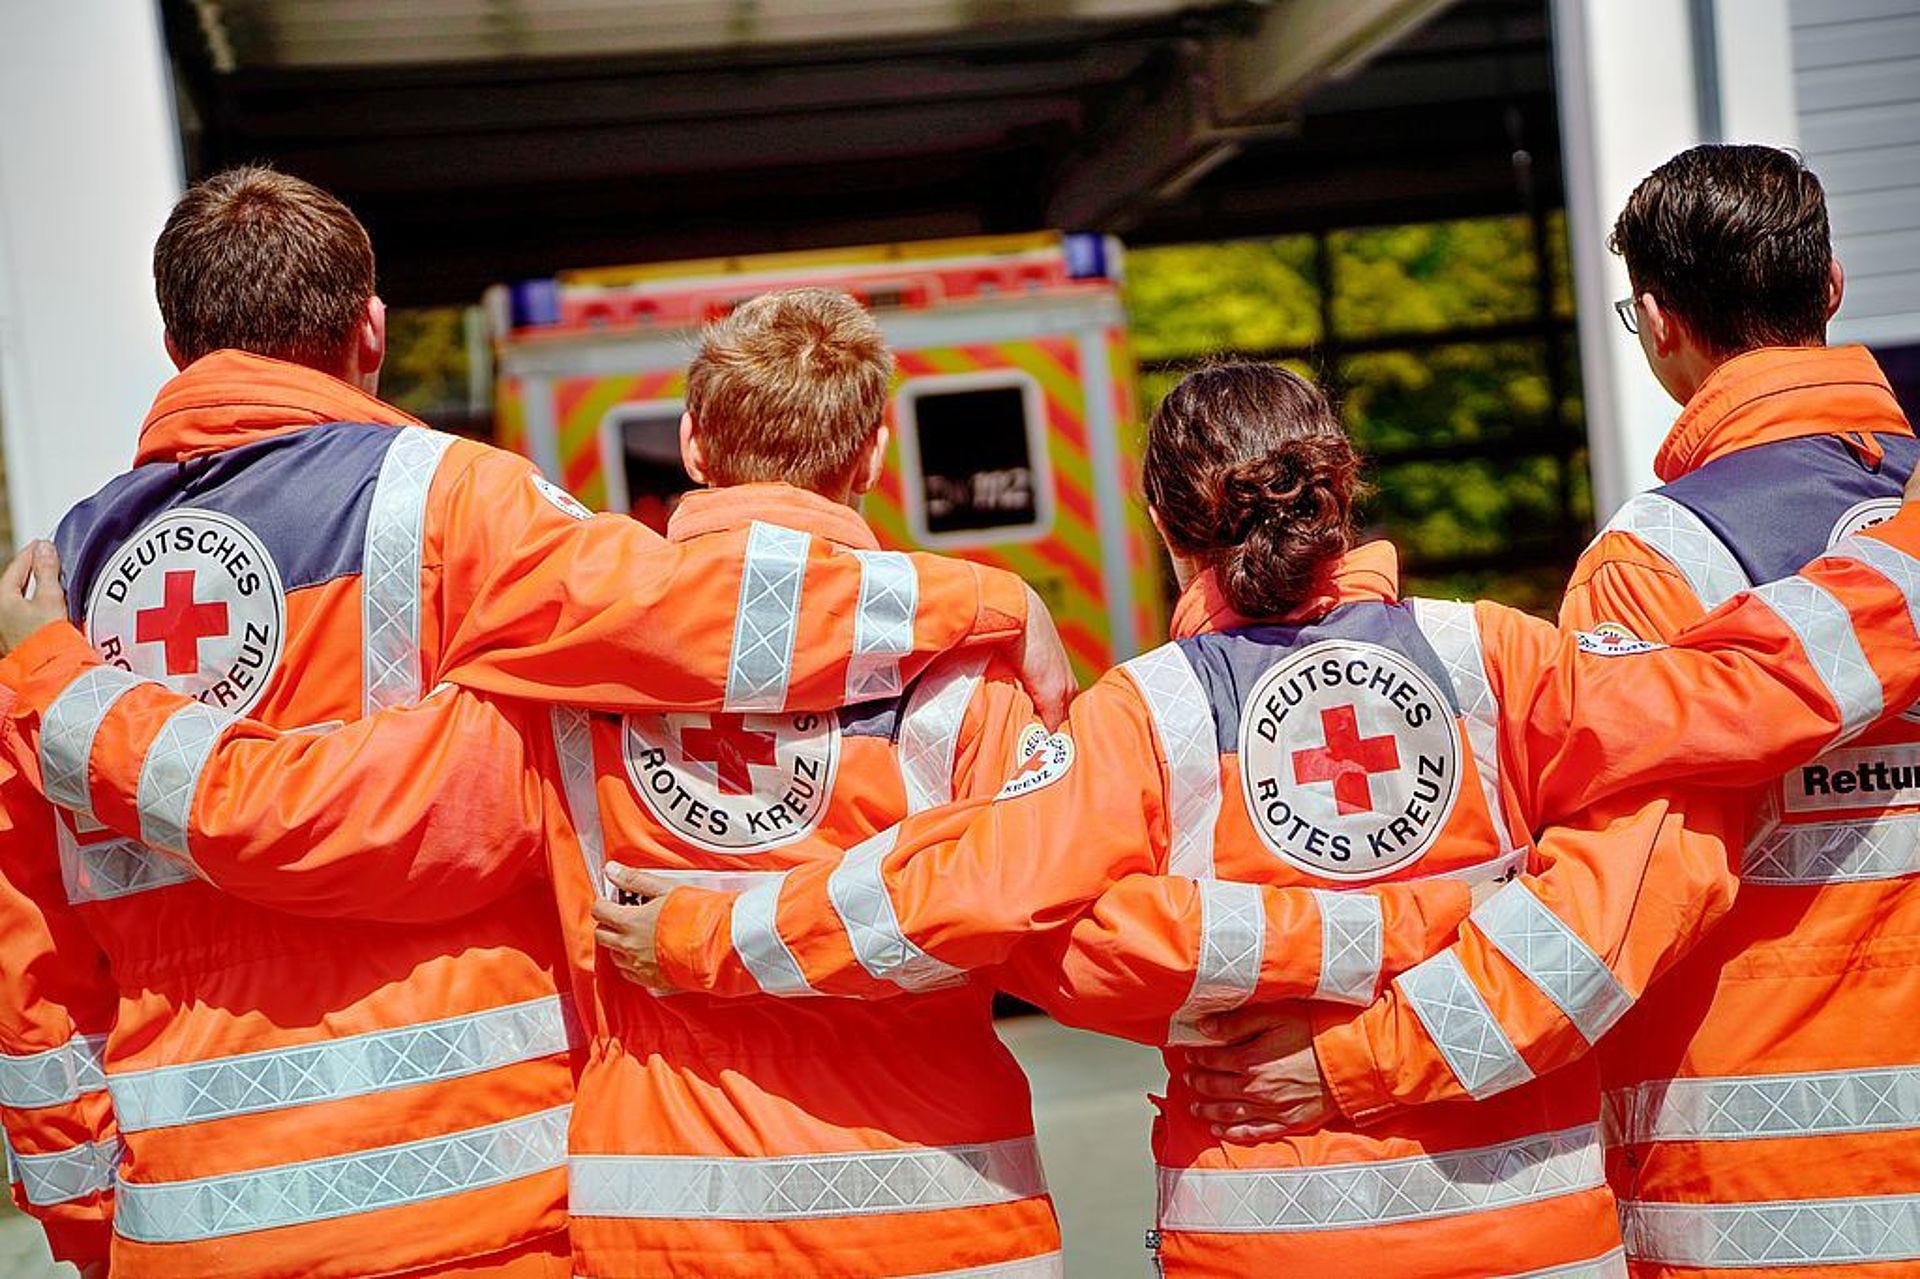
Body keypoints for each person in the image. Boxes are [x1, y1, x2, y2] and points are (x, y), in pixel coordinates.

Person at [7, 358, 1920, 1276]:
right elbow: (1665, 794)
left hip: (698, 1231)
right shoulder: (1509, 655)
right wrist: (1420, 945)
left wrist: (707, 929)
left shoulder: (551, 684)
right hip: (1500, 1225)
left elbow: (1051, 931)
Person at [602, 360, 1920, 1276]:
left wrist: (717, 931)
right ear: (1344, 490)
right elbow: (1646, 864)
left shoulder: (1147, 713)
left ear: (1168, 525)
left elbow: (1006, 912)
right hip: (1534, 1230)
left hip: (1260, 1234)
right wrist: (1435, 916)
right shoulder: (1505, 663)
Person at [0, 170, 1069, 1278]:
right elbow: (685, 615)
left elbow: (33, 972)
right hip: (485, 1198)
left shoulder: (52, 607)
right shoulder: (454, 501)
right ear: (372, 329)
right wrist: (974, 600)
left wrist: (95, 1229)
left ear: (177, 344)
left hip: (192, 1227)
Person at [1180, 145, 1920, 1278]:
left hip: (1764, 1191)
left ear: (1660, 321)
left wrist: (1358, 1060)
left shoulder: (1662, 562)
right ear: (1829, 288)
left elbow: (1615, 901)